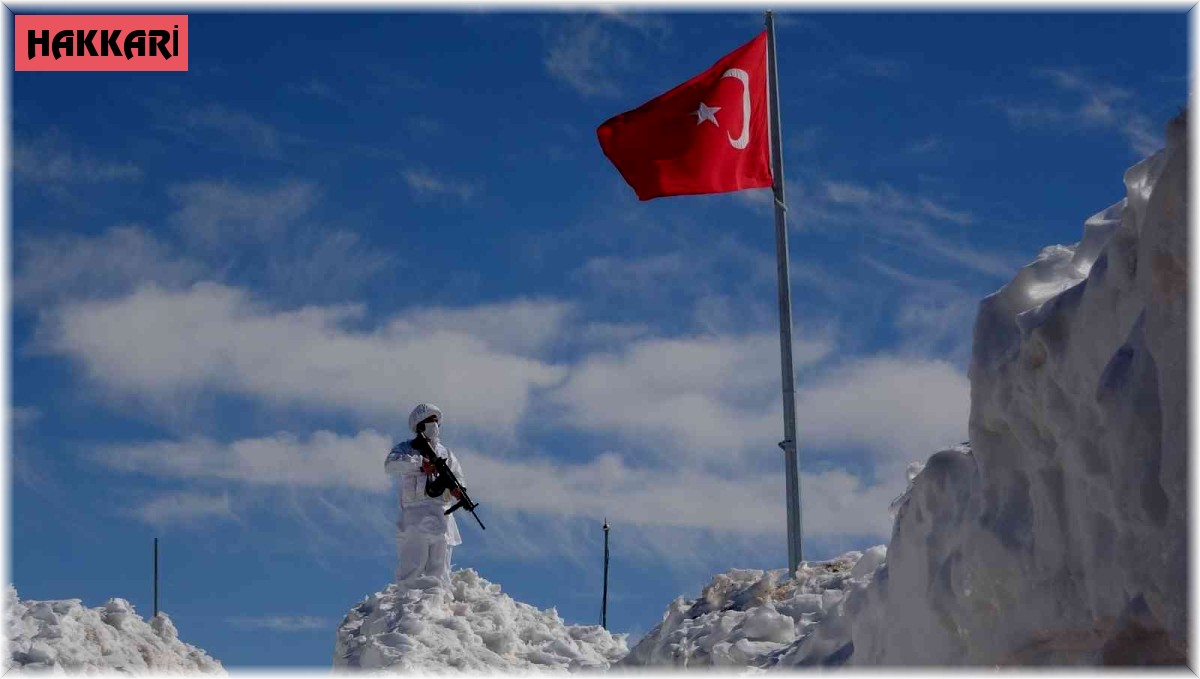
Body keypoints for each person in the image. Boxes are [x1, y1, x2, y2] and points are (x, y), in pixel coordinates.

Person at [385, 403, 467, 590]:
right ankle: (411, 604)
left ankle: (436, 601)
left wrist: (458, 490)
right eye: (430, 421)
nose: (434, 425)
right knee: (413, 563)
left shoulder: (446, 453)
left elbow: (459, 479)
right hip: (415, 511)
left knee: (439, 563)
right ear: (419, 425)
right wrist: (420, 464)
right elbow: (390, 465)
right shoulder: (406, 449)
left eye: (436, 421)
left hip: (441, 511)